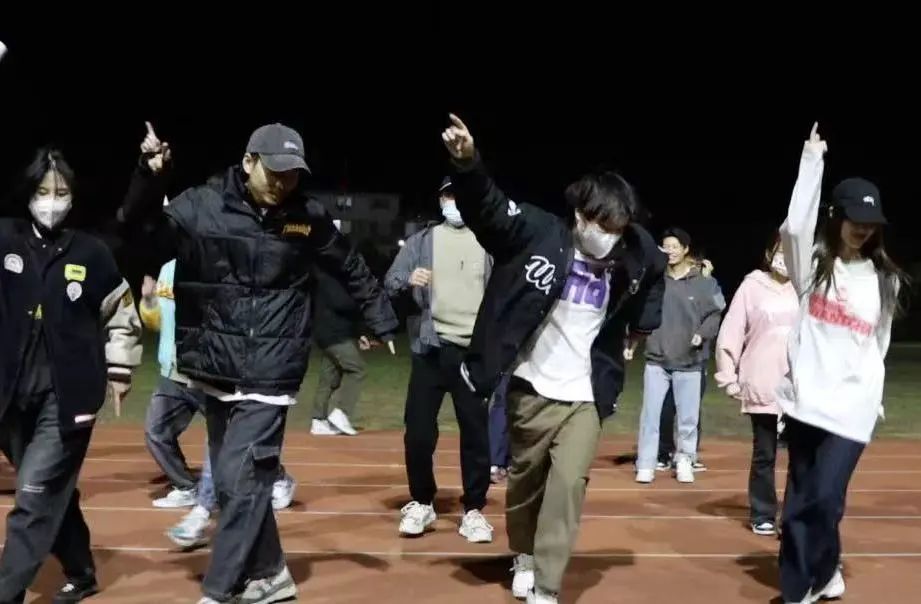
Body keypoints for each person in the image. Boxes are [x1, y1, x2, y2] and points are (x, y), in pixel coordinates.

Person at [120, 122, 399, 604]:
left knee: (241, 480)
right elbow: (138, 231)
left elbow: (348, 264)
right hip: (214, 366)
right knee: (235, 484)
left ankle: (218, 589)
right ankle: (270, 574)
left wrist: (382, 317)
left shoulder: (306, 216)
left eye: (292, 174)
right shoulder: (203, 204)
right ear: (248, 162)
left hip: (272, 368)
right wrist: (150, 177)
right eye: (275, 172)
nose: (283, 183)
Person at [441, 115, 665, 604]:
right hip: (530, 388)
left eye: (617, 227)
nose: (609, 235)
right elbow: (489, 209)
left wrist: (643, 325)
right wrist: (468, 164)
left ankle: (546, 585)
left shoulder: (634, 251)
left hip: (584, 394)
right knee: (526, 483)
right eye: (602, 224)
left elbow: (657, 269)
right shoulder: (538, 233)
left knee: (568, 484)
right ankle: (523, 552)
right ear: (580, 214)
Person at [0, 148, 143, 602]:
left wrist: (120, 369)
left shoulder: (92, 253)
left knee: (33, 495)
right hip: (10, 398)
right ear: (28, 193)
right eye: (43, 191)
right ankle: (80, 572)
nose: (51, 201)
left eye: (60, 192)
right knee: (48, 490)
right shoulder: (5, 241)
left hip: (67, 399)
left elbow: (121, 314)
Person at [776, 123, 906, 604]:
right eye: (855, 218)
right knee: (798, 503)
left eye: (871, 221)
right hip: (807, 403)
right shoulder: (812, 266)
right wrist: (812, 160)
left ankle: (805, 586)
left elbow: (878, 343)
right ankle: (817, 576)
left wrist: (872, 394)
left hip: (852, 407)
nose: (864, 228)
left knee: (825, 498)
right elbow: (794, 227)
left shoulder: (885, 279)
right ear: (836, 216)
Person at [137, 259, 297, 549]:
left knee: (223, 443)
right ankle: (187, 487)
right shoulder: (167, 269)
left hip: (208, 371)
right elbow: (158, 322)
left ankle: (211, 507)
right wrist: (148, 301)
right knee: (156, 431)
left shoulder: (220, 265)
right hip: (172, 372)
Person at [384, 176, 494, 543]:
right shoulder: (422, 241)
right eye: (448, 195)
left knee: (476, 435)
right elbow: (391, 280)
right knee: (417, 433)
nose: (454, 202)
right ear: (441, 199)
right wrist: (407, 279)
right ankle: (422, 502)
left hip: (472, 355)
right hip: (429, 350)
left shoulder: (489, 241)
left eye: (460, 195)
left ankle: (474, 509)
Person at [714, 233, 798, 536]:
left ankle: (795, 516)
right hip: (762, 381)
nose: (783, 258)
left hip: (798, 386)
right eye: (779, 251)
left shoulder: (806, 287)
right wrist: (728, 375)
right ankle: (762, 512)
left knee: (801, 456)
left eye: (790, 253)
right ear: (769, 253)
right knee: (765, 453)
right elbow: (732, 329)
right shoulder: (752, 286)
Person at [633, 228, 724, 484]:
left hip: (690, 362)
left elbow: (714, 314)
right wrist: (633, 340)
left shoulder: (703, 282)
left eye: (675, 247)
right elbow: (642, 312)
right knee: (650, 416)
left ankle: (685, 459)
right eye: (666, 247)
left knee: (688, 418)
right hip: (656, 359)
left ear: (685, 249)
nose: (670, 251)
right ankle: (646, 463)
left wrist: (702, 334)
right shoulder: (655, 279)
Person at [309, 225, 373, 436]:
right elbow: (343, 303)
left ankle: (318, 420)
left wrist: (359, 332)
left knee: (329, 377)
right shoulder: (330, 274)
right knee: (357, 369)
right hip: (334, 334)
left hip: (331, 333)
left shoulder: (328, 272)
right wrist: (360, 299)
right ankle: (342, 413)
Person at [656, 255, 716, 471]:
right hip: (669, 357)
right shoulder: (670, 284)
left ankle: (688, 454)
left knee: (691, 410)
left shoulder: (704, 285)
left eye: (694, 265)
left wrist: (708, 280)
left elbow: (713, 312)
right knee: (666, 407)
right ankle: (664, 452)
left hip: (695, 360)